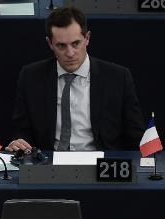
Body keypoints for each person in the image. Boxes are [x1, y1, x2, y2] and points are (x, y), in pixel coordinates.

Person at [8, 6, 145, 153]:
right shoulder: (31, 76)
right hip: (48, 165)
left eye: (76, 43)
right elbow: (22, 131)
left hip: (101, 167)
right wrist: (19, 143)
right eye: (61, 46)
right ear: (50, 43)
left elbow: (135, 136)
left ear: (87, 38)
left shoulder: (118, 78)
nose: (70, 53)